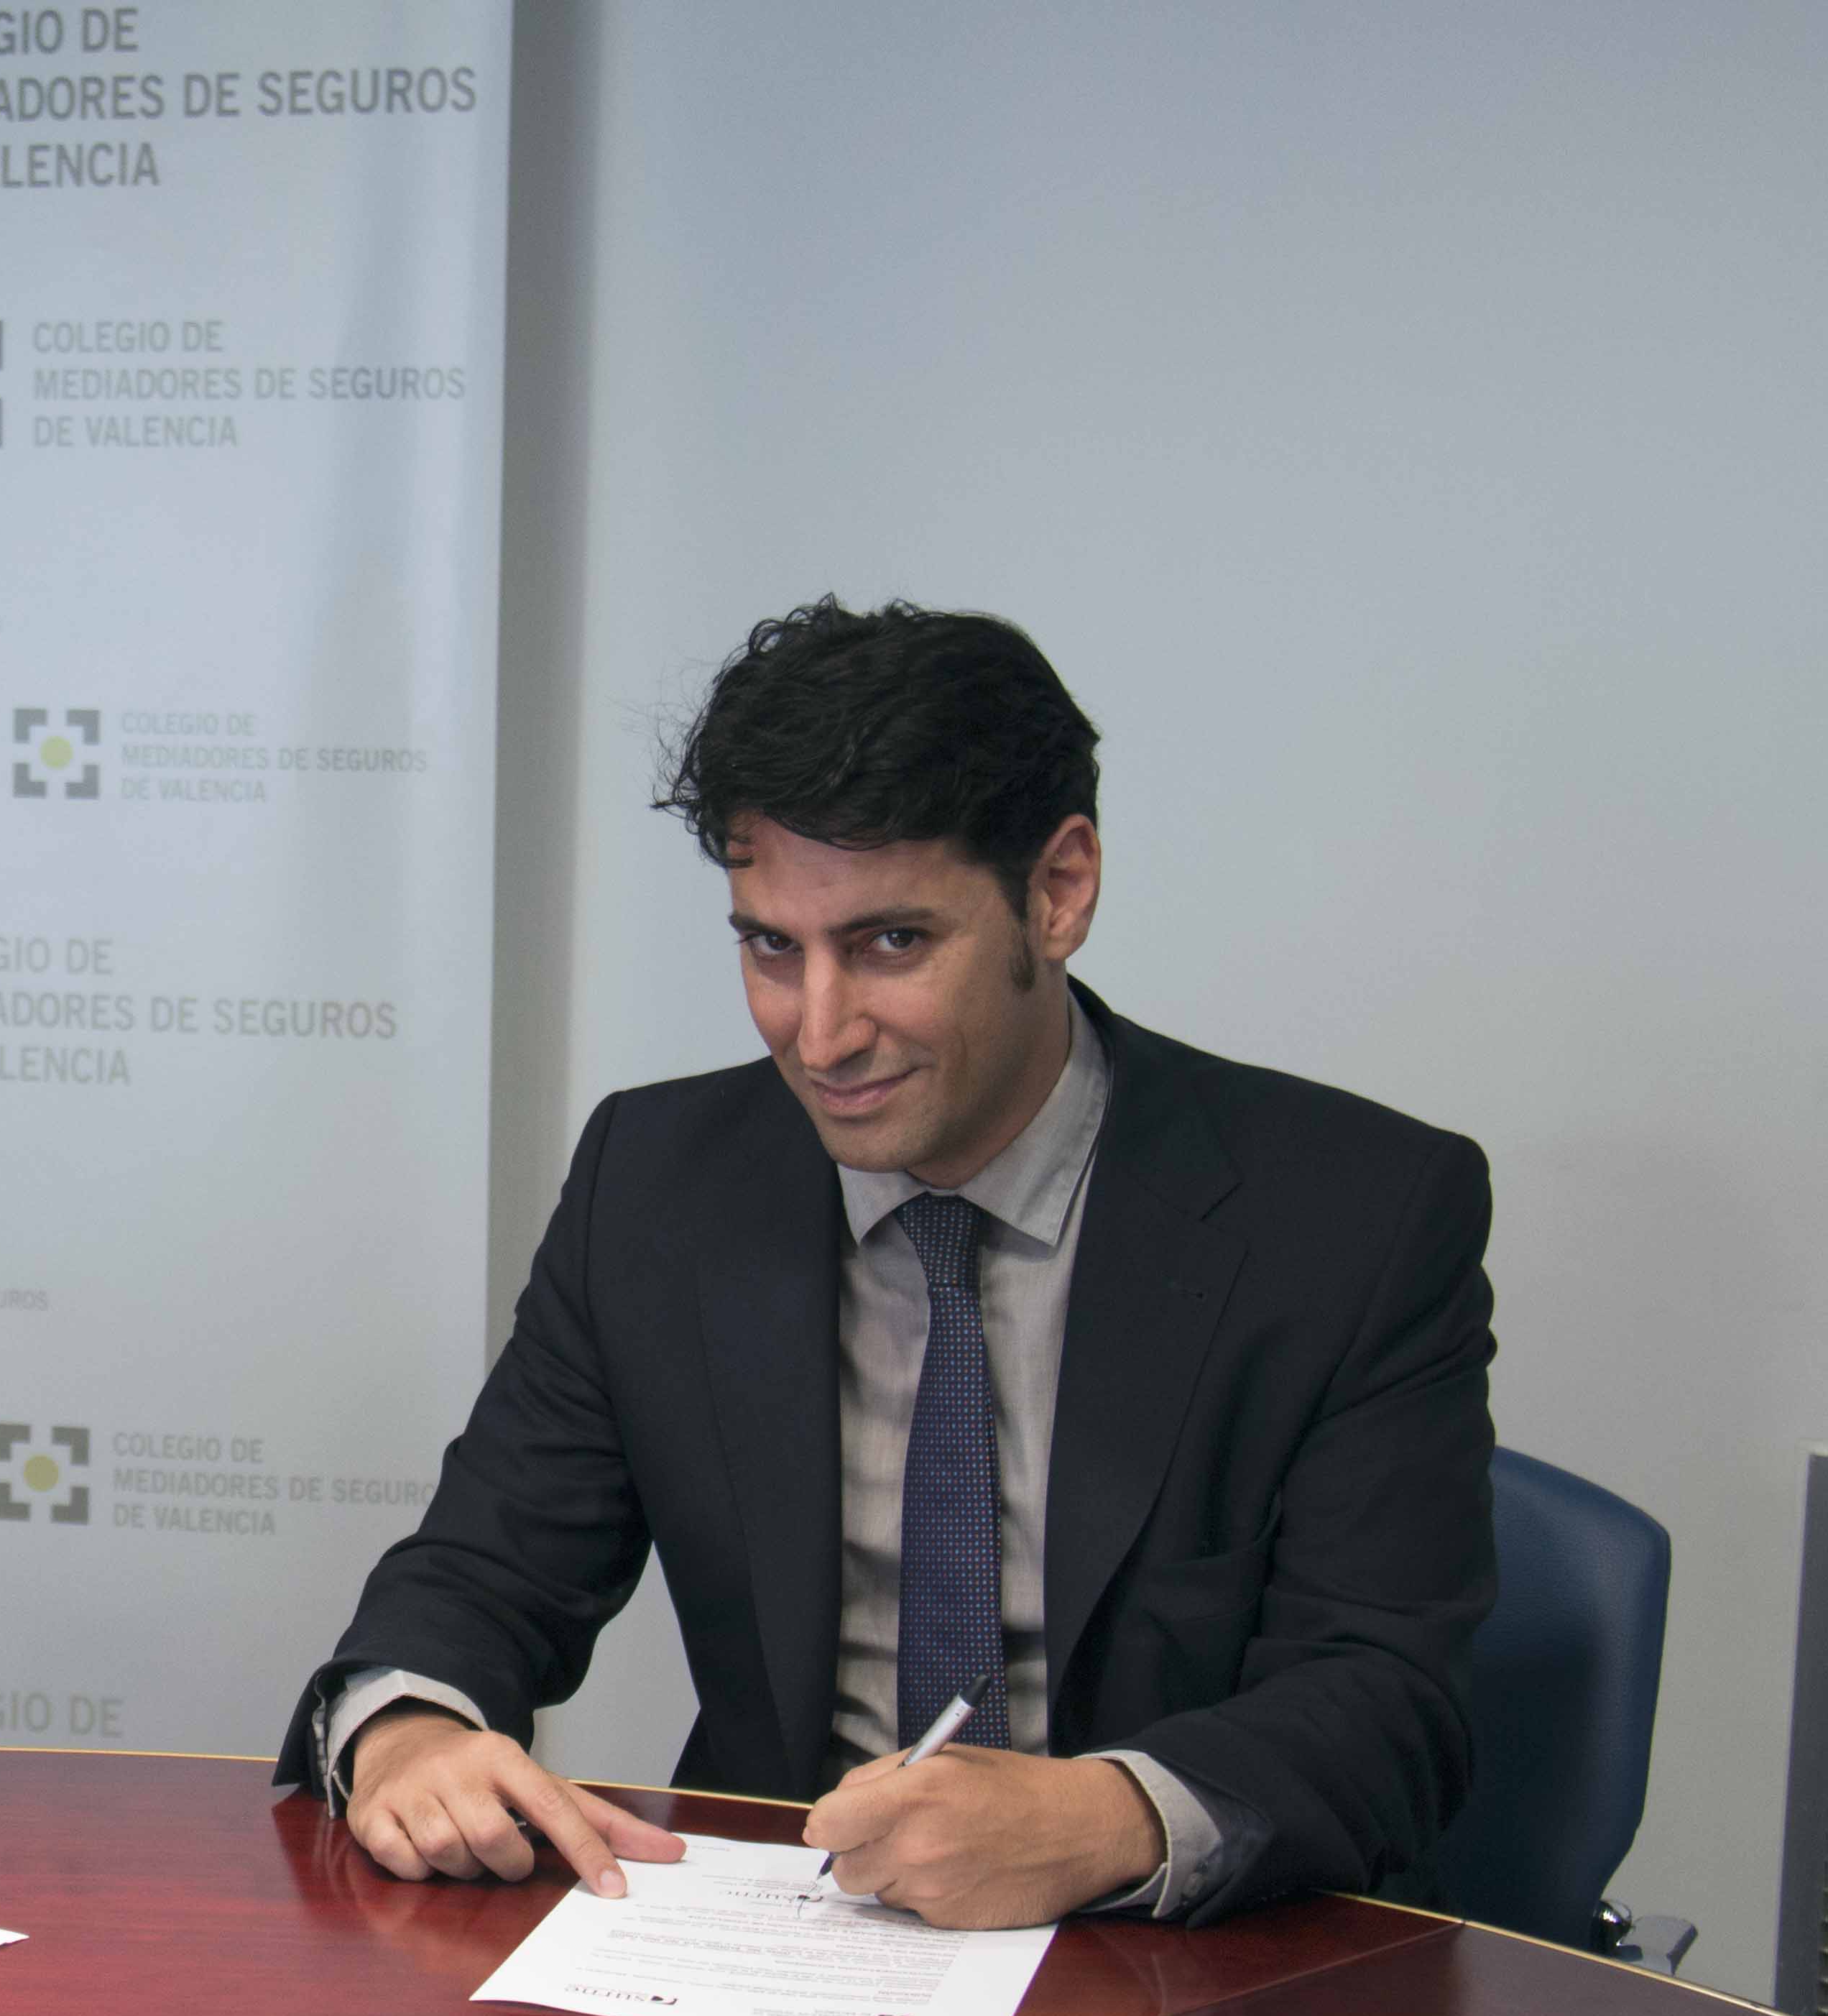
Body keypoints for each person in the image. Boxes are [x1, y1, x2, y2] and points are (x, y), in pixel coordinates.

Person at [278, 597, 1495, 1929]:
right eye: (771, 948)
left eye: (891, 944)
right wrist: (409, 1730)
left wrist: (1104, 1817)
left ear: (1059, 892)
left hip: (1191, 1959)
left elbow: (1387, 1700)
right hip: (782, 1944)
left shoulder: (1354, 1215)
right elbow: (484, 1570)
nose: (821, 1035)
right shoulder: (659, 1182)